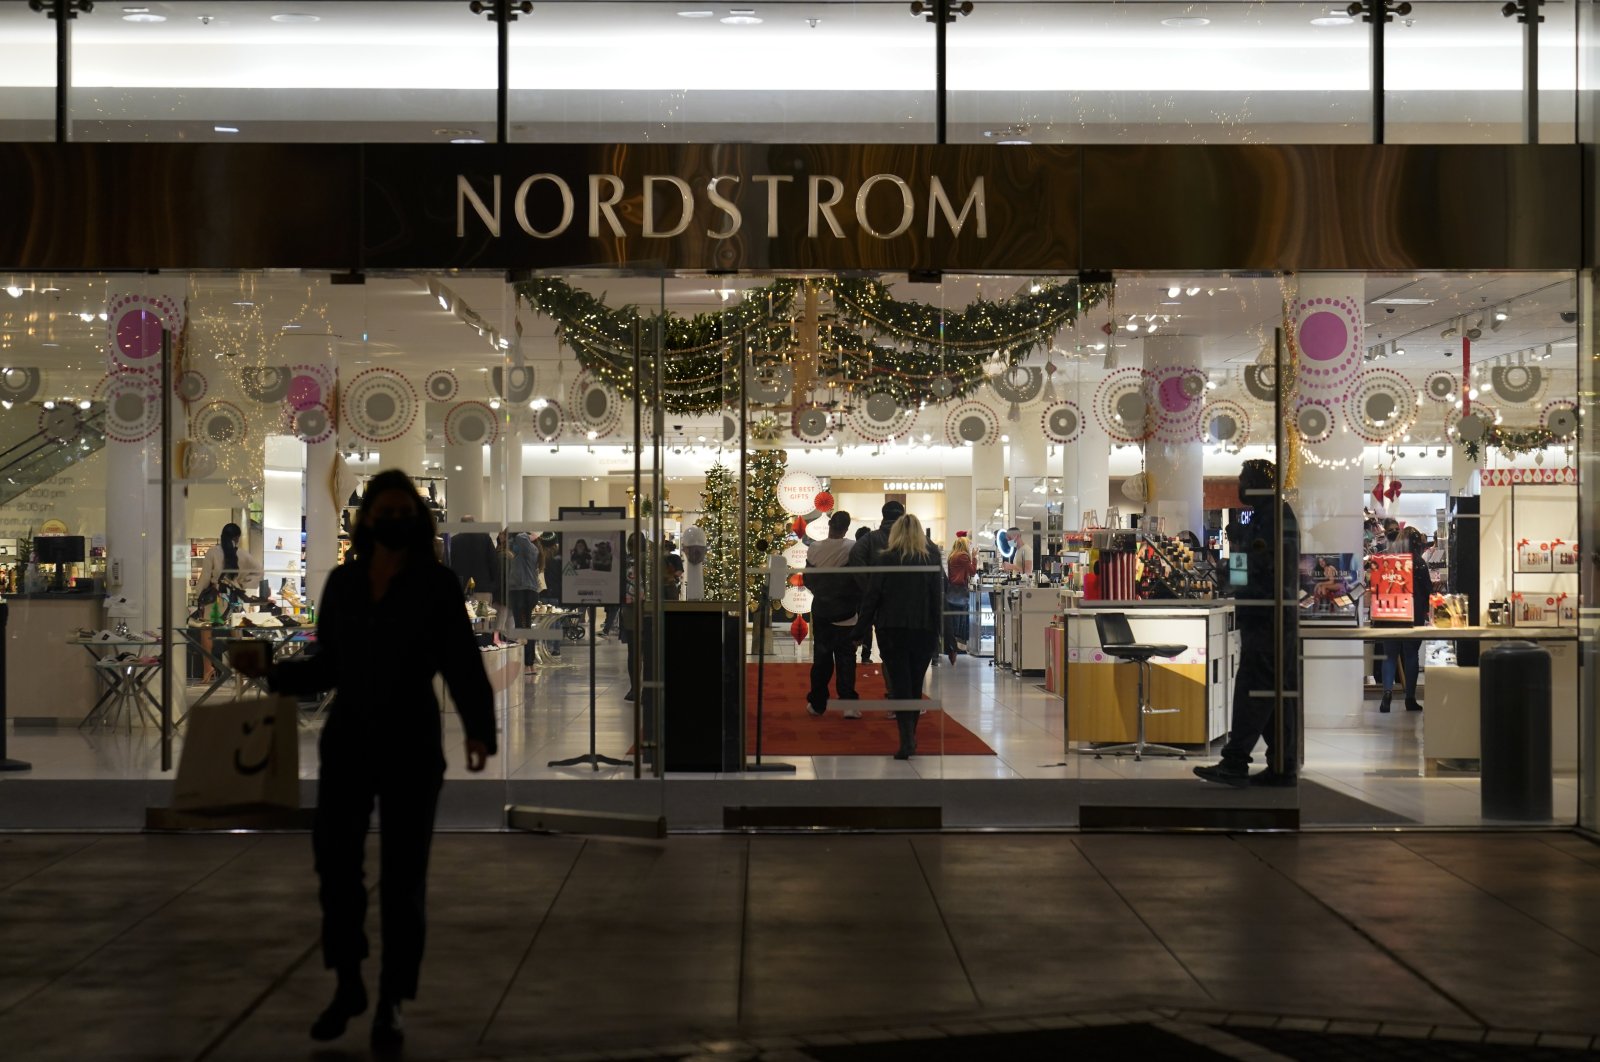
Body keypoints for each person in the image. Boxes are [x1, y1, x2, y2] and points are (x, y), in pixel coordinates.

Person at [233, 470, 496, 1050]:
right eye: (385, 510)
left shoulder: (436, 585)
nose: (394, 520)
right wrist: (272, 673)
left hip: (412, 741)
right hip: (349, 737)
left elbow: (460, 661)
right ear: (368, 517)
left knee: (404, 879)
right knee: (335, 868)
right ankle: (349, 982)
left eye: (405, 511)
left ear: (418, 521)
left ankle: (392, 1002)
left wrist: (480, 731)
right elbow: (328, 666)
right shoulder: (346, 585)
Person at [1194, 458, 1299, 787]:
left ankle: (1236, 760)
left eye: (1243, 478)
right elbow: (1242, 572)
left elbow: (1262, 570)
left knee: (1254, 690)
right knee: (1269, 692)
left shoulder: (1275, 520)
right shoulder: (1261, 518)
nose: (1238, 485)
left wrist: (1238, 555)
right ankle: (1281, 764)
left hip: (1269, 617)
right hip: (1262, 615)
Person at [855, 513, 944, 760]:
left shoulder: (886, 559)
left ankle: (907, 739)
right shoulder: (931, 559)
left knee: (900, 685)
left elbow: (872, 597)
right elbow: (937, 599)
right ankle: (910, 737)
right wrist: (943, 635)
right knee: (915, 687)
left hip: (891, 630)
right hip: (922, 630)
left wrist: (860, 630)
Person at [803, 510, 863, 719]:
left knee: (822, 659)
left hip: (821, 611)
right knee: (846, 659)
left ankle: (818, 704)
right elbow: (859, 580)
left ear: (830, 525)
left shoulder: (814, 548)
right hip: (846, 613)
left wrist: (823, 592)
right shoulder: (853, 548)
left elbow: (808, 580)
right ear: (847, 528)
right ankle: (848, 705)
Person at [199, 522, 262, 680]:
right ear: (238, 538)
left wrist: (199, 593)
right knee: (236, 633)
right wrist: (243, 583)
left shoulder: (212, 552)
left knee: (206, 632)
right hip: (234, 595)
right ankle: (240, 671)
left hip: (217, 596)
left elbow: (206, 577)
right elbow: (259, 571)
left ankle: (208, 670)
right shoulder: (243, 554)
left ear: (222, 536)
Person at [1379, 526, 1432, 713]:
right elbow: (1427, 590)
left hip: (1390, 612)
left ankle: (1387, 694)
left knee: (1390, 655)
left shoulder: (1387, 560)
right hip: (1413, 612)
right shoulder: (1418, 562)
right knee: (1411, 655)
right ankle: (1410, 698)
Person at [507, 530, 542, 674]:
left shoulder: (527, 547)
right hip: (526, 591)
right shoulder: (528, 552)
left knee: (522, 629)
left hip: (522, 591)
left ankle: (527, 664)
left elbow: (521, 537)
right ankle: (529, 664)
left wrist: (529, 534)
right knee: (526, 628)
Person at [447, 515, 497, 601]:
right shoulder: (485, 539)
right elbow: (494, 563)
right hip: (483, 588)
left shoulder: (453, 541)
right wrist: (492, 585)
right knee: (484, 614)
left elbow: (449, 564)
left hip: (461, 587)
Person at [946, 533, 975, 652]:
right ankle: (957, 647)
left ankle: (951, 646)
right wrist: (975, 557)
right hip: (960, 591)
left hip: (952, 589)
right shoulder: (963, 556)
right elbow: (972, 571)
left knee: (953, 619)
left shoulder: (952, 555)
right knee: (960, 619)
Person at [853, 525, 875, 664]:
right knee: (867, 625)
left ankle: (853, 651)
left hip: (855, 595)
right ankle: (865, 656)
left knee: (855, 623)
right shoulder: (873, 553)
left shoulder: (853, 552)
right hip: (868, 594)